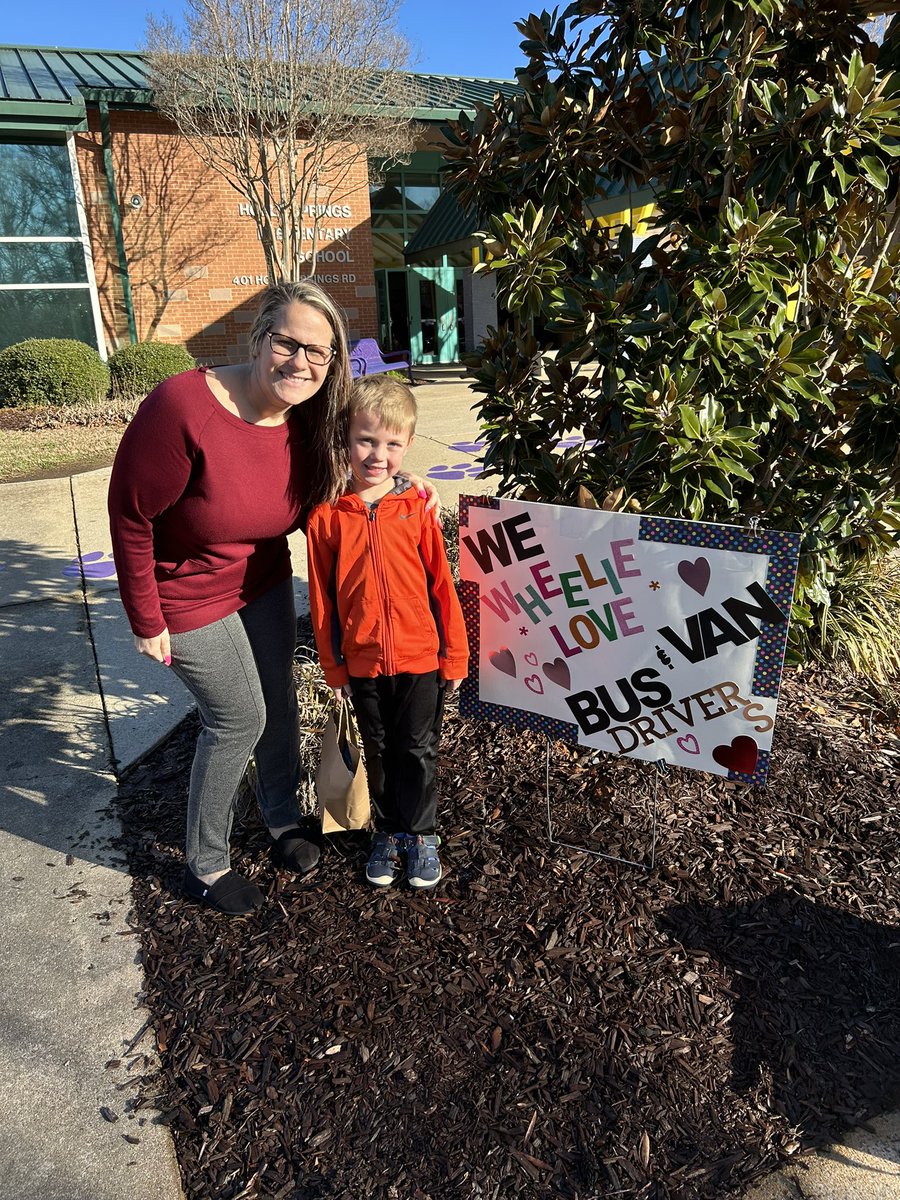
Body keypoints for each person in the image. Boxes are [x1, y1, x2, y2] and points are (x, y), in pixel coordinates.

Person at [108, 282, 437, 916]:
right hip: (185, 592)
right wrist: (145, 616)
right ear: (258, 336)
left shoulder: (310, 413)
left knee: (280, 703)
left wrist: (398, 486)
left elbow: (358, 461)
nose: (301, 361)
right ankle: (206, 863)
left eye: (320, 352)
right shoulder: (184, 407)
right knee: (238, 719)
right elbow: (130, 516)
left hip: (258, 580)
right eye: (287, 341)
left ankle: (284, 820)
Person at [306, 376, 469, 890]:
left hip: (421, 657)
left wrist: (455, 656)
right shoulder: (327, 515)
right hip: (362, 660)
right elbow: (321, 598)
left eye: (392, 444)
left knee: (418, 747)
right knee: (377, 749)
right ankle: (388, 830)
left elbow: (443, 583)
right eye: (366, 440)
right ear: (345, 437)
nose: (378, 454)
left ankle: (420, 835)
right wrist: (334, 666)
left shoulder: (417, 507)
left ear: (409, 444)